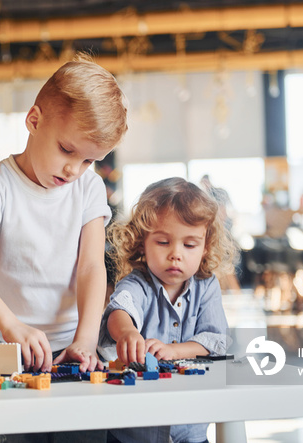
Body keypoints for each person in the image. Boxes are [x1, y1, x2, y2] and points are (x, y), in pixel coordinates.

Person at [0, 54, 127, 442]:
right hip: (10, 349)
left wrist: (86, 337)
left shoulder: (88, 187)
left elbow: (91, 268)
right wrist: (11, 325)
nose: (73, 170)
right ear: (34, 121)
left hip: (73, 345)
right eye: (66, 150)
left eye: (89, 160)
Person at [98, 177, 239, 443]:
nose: (176, 254)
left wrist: (175, 351)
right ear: (142, 242)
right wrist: (127, 332)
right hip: (135, 430)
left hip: (189, 428)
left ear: (205, 246)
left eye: (189, 245)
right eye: (163, 242)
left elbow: (214, 340)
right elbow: (121, 309)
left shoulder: (206, 286)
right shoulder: (137, 283)